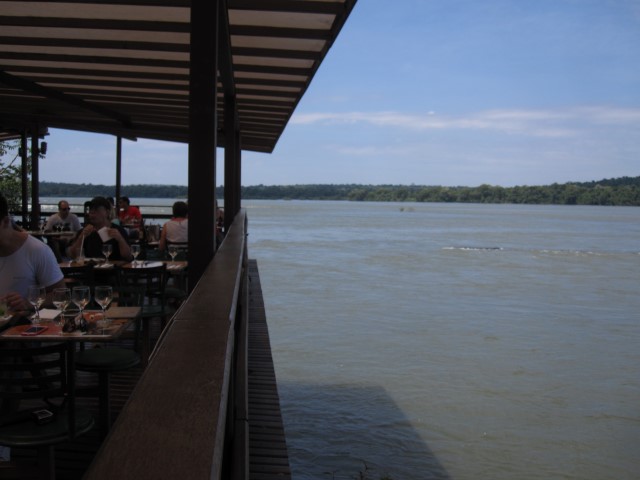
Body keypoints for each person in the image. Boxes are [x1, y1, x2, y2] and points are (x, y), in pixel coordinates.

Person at [0, 193, 65, 313]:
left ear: (5, 222)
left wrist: (28, 302)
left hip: (22, 327)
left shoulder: (36, 250)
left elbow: (61, 294)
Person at [67, 196, 132, 261]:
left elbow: (128, 257)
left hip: (112, 269)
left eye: (96, 210)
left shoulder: (118, 231)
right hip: (89, 269)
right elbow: (72, 255)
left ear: (107, 212)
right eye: (90, 210)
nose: (92, 213)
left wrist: (120, 239)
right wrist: (81, 237)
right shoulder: (85, 231)